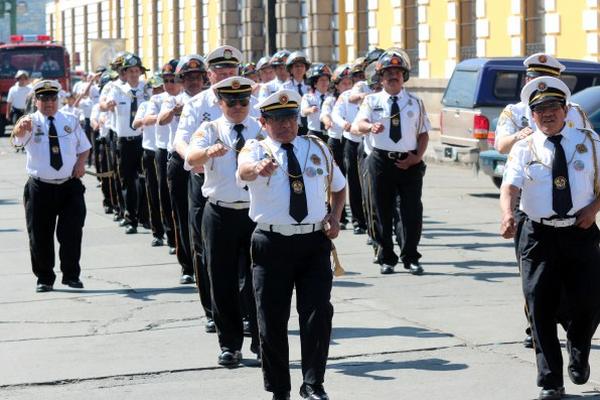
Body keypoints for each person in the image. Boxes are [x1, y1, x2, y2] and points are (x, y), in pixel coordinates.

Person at [237, 89, 346, 400]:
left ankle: (313, 383)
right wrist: (257, 170)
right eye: (276, 119)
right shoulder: (255, 149)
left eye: (290, 118)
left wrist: (336, 217)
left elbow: (339, 187)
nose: (285, 125)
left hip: (313, 242)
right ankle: (279, 388)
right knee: (271, 319)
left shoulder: (318, 149)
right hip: (271, 242)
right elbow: (242, 171)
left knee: (317, 313)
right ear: (263, 121)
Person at [500, 76, 600, 400]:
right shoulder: (524, 148)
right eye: (539, 109)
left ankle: (579, 347)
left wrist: (594, 209)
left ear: (565, 109)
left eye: (552, 107)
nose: (546, 114)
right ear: (532, 115)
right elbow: (510, 187)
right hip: (538, 235)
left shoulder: (590, 141)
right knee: (538, 306)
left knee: (590, 302)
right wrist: (506, 214)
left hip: (580, 231)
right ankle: (550, 382)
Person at [494, 53, 591, 349]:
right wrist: (521, 135)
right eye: (532, 76)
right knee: (532, 273)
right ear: (527, 80)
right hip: (528, 201)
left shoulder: (573, 111)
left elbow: (588, 147)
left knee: (570, 273)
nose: (535, 81)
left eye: (544, 77)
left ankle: (560, 318)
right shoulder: (513, 112)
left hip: (570, 203)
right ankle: (535, 324)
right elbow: (499, 145)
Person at [185, 76, 261, 367]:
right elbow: (191, 157)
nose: (238, 107)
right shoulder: (210, 129)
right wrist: (207, 152)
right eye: (231, 102)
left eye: (243, 101)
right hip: (219, 212)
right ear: (220, 103)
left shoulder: (260, 128)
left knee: (260, 282)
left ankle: (261, 341)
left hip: (256, 213)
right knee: (222, 280)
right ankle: (229, 344)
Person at [353, 48, 430, 276]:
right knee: (381, 211)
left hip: (409, 162)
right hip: (380, 162)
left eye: (397, 71)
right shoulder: (371, 100)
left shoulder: (415, 102)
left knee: (411, 212)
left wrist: (416, 157)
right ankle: (386, 257)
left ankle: (411, 257)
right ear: (380, 77)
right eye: (388, 72)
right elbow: (359, 125)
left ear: (404, 75)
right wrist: (370, 127)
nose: (392, 76)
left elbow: (424, 133)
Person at [12, 80, 91, 292]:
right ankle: (45, 278)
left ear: (58, 99)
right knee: (40, 234)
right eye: (44, 99)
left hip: (69, 186)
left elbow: (84, 148)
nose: (49, 103)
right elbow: (17, 141)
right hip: (40, 187)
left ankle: (71, 275)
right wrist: (19, 130)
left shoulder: (70, 120)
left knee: (72, 232)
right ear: (36, 101)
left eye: (52, 98)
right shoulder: (29, 121)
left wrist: (81, 163)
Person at [105, 53, 149, 234]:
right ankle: (130, 217)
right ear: (125, 72)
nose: (133, 74)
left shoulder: (147, 90)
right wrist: (107, 105)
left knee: (146, 180)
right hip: (124, 142)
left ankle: (146, 217)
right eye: (130, 71)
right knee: (127, 181)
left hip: (143, 140)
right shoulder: (116, 89)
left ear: (140, 72)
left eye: (136, 70)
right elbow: (104, 104)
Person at [282, 51, 310, 136]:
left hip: (310, 127)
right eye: (296, 66)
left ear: (306, 69)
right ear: (290, 69)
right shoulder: (285, 88)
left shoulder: (311, 87)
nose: (299, 69)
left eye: (302, 66)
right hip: (292, 126)